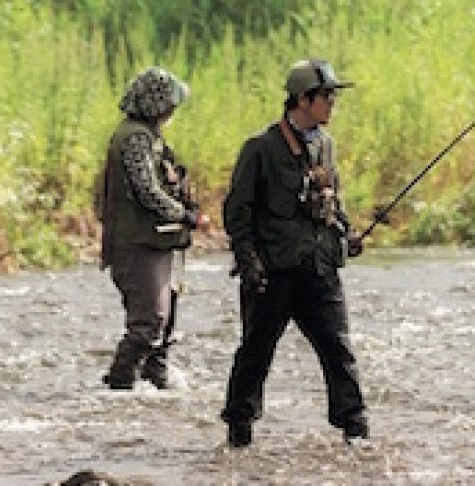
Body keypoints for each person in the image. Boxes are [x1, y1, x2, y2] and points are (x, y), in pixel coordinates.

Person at [220, 59, 369, 447]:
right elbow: (237, 211)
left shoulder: (326, 145)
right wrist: (248, 259)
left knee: (338, 349)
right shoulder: (261, 148)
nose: (332, 105)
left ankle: (355, 427)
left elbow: (333, 201)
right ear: (303, 99)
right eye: (327, 97)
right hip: (273, 272)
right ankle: (239, 427)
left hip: (319, 268)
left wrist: (347, 233)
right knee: (256, 351)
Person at [98, 66, 201, 391]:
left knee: (164, 321)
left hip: (153, 243)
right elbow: (147, 190)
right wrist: (183, 214)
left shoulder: (145, 136)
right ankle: (119, 386)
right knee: (149, 323)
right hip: (138, 245)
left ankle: (155, 380)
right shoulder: (135, 138)